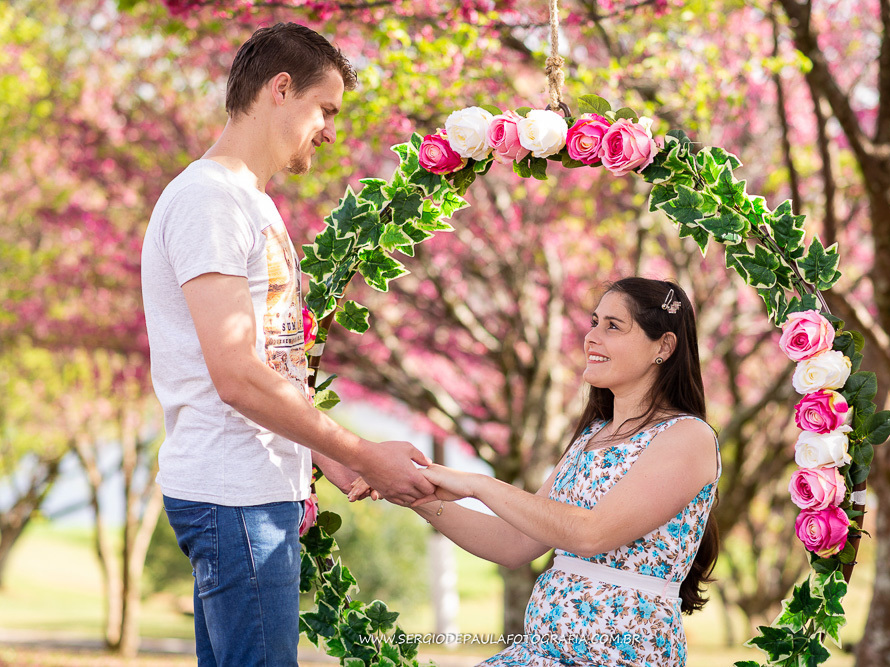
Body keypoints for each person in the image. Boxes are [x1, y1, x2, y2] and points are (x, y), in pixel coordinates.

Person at [140, 23, 435, 666]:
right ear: (281, 89)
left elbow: (274, 359)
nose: (330, 130)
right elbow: (237, 376)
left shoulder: (253, 204)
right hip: (233, 497)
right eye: (324, 109)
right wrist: (362, 450)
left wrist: (323, 458)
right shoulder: (209, 200)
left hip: (254, 495)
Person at [364, 277, 721, 666]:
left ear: (664, 346)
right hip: (540, 653)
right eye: (594, 322)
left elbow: (590, 533)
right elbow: (513, 543)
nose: (591, 338)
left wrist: (476, 485)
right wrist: (417, 492)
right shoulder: (591, 436)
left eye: (613, 326)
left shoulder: (687, 436)